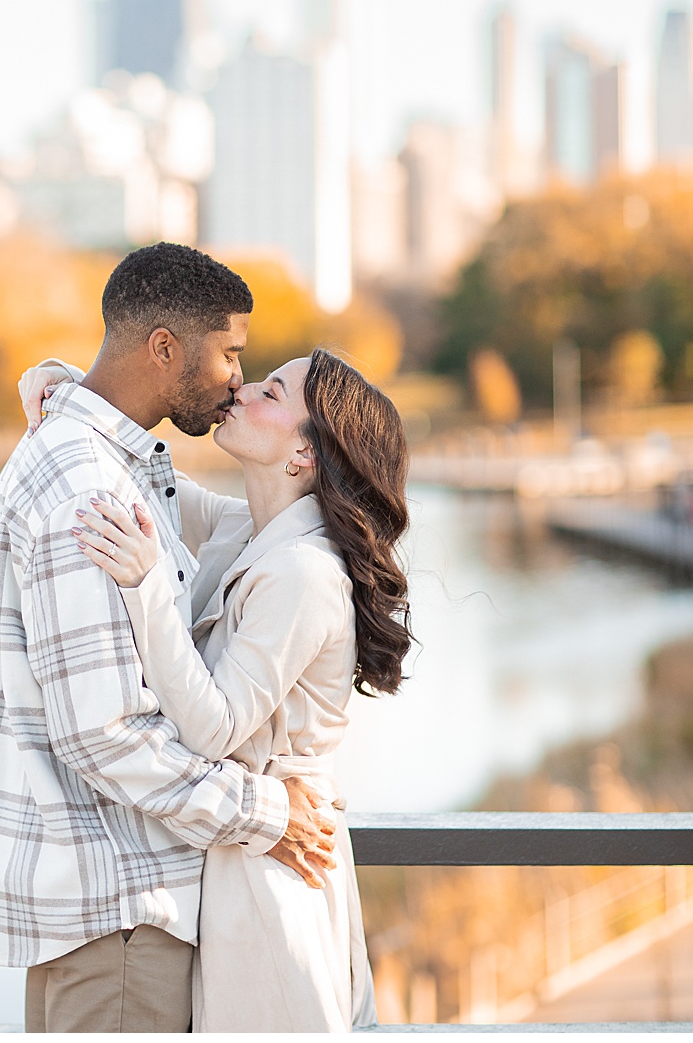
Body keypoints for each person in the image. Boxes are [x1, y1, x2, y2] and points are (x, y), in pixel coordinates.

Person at [0, 242, 341, 1033]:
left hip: (110, 916)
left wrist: (62, 385)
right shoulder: (87, 490)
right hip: (119, 915)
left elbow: (234, 517)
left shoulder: (108, 464)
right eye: (231, 354)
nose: (239, 376)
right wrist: (269, 814)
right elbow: (104, 736)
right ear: (164, 347)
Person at [38, 345, 411, 1030]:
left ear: (304, 454)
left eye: (272, 393)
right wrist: (65, 389)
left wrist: (148, 590)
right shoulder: (251, 526)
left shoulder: (302, 572)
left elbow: (214, 728)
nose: (241, 390)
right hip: (248, 838)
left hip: (273, 865)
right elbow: (152, 484)